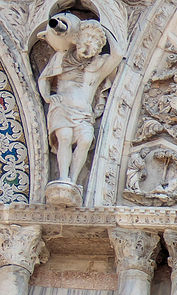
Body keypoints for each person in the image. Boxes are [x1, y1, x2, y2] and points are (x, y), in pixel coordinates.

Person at [36, 14, 122, 184]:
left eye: (93, 47)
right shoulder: (62, 58)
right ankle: (63, 178)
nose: (87, 50)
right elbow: (44, 79)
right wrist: (48, 97)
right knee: (65, 137)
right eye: (85, 43)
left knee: (86, 140)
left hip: (83, 113)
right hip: (62, 108)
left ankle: (73, 181)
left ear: (98, 50)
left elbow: (118, 55)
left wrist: (105, 29)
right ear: (77, 40)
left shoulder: (97, 69)